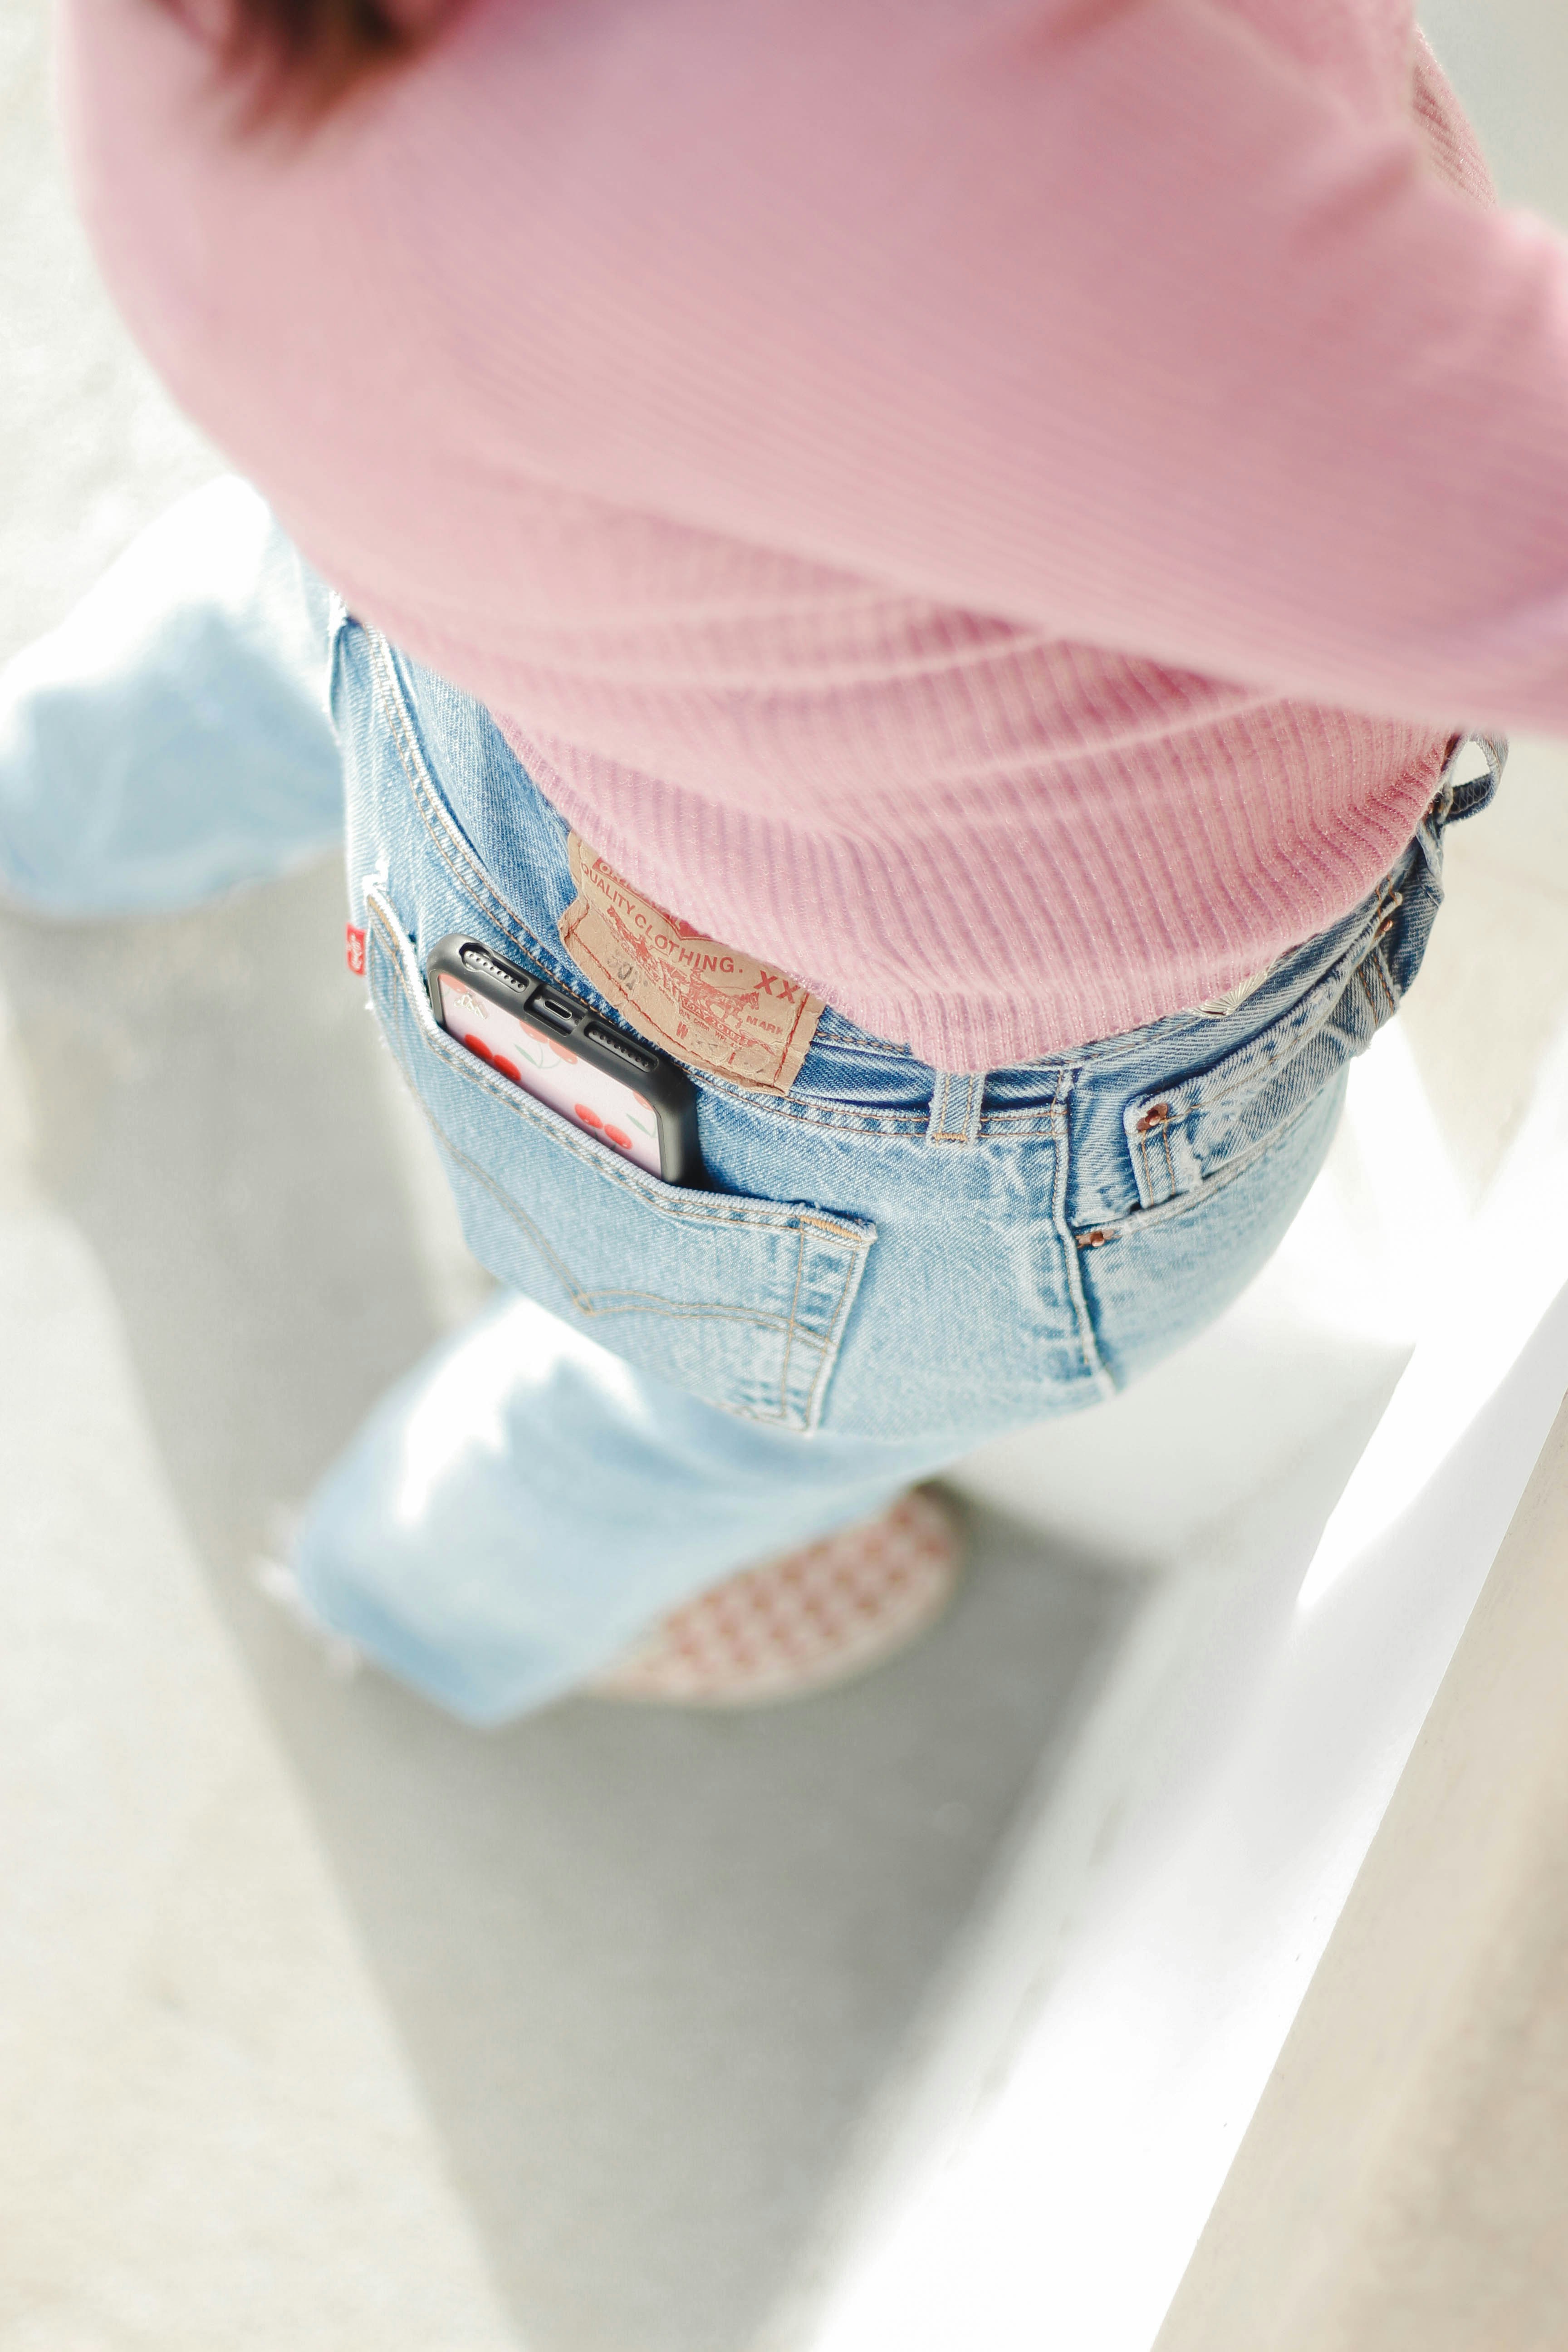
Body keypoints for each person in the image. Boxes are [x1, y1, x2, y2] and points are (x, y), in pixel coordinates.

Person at [0, 0, 1535, 1721]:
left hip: (443, 526)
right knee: (721, 1419)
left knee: (322, 615)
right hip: (895, 1101)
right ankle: (425, 1597)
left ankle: (51, 804)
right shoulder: (960, 122)